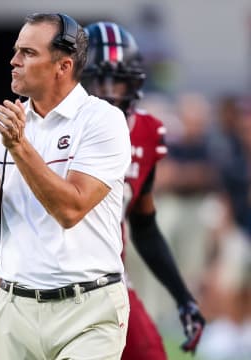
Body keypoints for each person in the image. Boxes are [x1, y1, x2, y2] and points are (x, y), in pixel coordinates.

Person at [0, 13, 131, 360]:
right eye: (16, 50)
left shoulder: (103, 121)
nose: (14, 61)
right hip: (15, 310)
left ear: (63, 66)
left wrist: (20, 147)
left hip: (88, 311)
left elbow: (70, 209)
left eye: (28, 53)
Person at [82, 21, 206, 359]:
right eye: (101, 79)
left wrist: (183, 296)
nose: (111, 90)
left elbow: (144, 225)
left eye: (119, 80)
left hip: (108, 280)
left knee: (150, 352)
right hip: (51, 282)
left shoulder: (147, 131)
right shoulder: (53, 128)